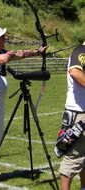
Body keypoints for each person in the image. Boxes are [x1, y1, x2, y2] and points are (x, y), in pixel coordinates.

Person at [0, 24, 47, 188]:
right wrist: (13, 54)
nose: (4, 39)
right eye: (2, 37)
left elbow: (18, 55)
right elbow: (3, 59)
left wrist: (36, 52)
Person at [58, 41, 85, 190]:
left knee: (83, 157)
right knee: (73, 158)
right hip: (79, 114)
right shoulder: (81, 51)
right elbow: (75, 72)